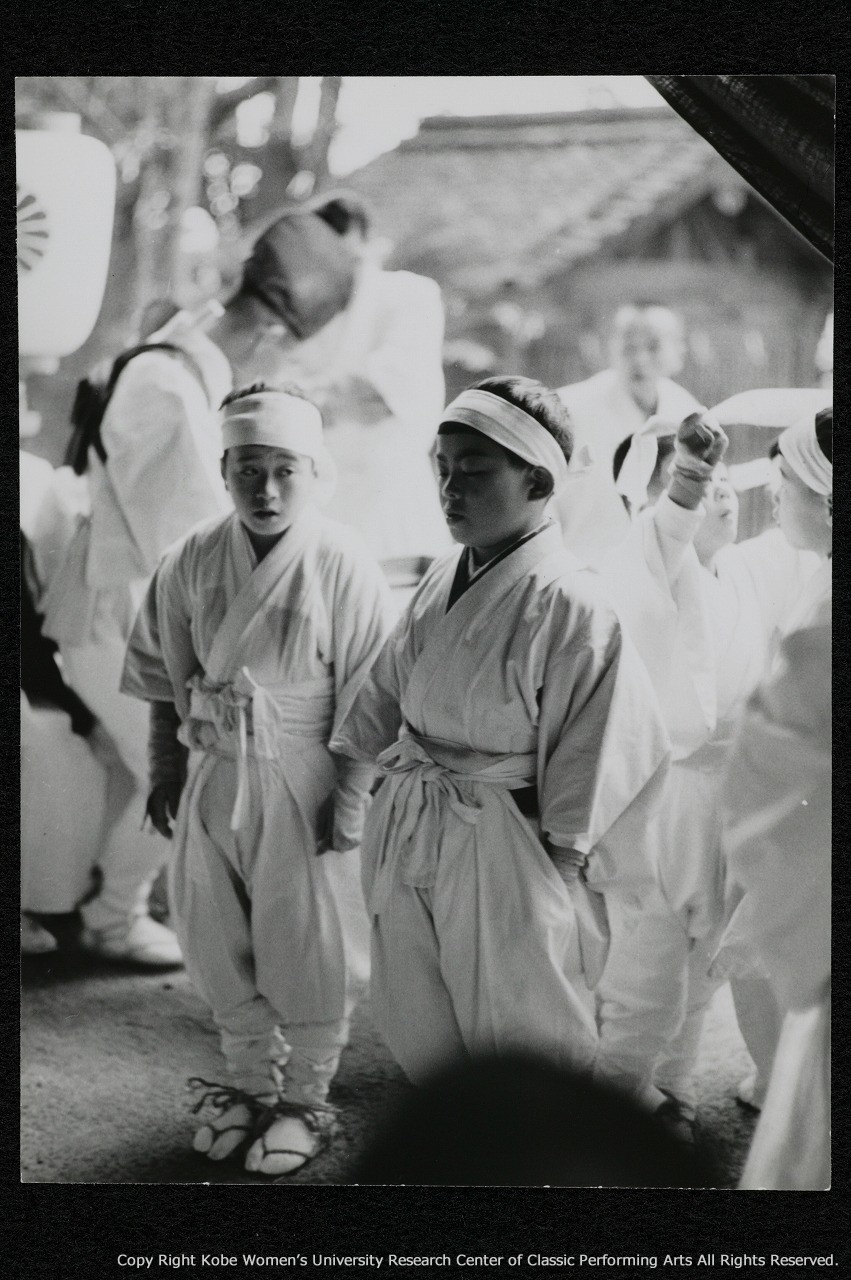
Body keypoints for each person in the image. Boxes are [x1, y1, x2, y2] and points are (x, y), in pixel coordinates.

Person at [330, 376, 670, 1103]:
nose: (450, 490)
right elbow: (388, 688)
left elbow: (595, 746)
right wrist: (355, 790)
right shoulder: (442, 574)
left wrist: (559, 868)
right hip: (415, 811)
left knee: (522, 1015)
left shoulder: (574, 601)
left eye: (475, 472)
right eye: (442, 469)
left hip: (506, 834)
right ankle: (454, 1133)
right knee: (414, 997)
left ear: (538, 482)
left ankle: (534, 1151)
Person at [38, 210, 357, 966]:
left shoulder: (187, 362)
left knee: (157, 764)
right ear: (273, 329)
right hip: (115, 612)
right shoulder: (169, 386)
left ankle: (104, 906)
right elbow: (189, 544)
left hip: (139, 606)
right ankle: (114, 917)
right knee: (189, 762)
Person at [121, 383, 394, 1177]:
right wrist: (167, 769)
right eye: (247, 469)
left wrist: (350, 797)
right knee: (214, 933)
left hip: (304, 770)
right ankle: (247, 1085)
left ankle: (306, 1100)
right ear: (224, 470)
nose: (265, 489)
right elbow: (166, 678)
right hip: (214, 767)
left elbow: (368, 694)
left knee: (308, 938)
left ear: (313, 470)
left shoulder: (340, 559)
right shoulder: (189, 557)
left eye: (283, 469)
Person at [597, 406, 826, 1135]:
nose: (718, 491)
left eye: (723, 479)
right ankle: (615, 1103)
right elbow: (658, 549)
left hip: (740, 795)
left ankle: (672, 1088)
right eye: (694, 484)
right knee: (646, 968)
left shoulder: (754, 566)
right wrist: (685, 489)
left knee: (706, 970)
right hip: (671, 796)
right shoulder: (645, 568)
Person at [269, 191, 450, 561]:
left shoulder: (409, 295)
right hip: (312, 501)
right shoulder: (296, 315)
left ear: (363, 243)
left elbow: (379, 393)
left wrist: (301, 402)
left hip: (388, 500)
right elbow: (269, 396)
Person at [554, 305, 703, 559]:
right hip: (581, 560)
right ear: (612, 348)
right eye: (629, 348)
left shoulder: (687, 411)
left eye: (653, 347)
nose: (640, 359)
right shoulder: (568, 408)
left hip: (662, 563)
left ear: (679, 350)